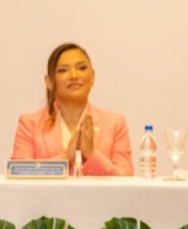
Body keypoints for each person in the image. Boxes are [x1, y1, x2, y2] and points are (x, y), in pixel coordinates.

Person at [12, 43, 134, 176]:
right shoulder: (29, 124)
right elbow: (19, 174)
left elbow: (126, 177)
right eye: (63, 70)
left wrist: (91, 154)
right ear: (49, 82)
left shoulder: (115, 123)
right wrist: (64, 157)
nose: (74, 75)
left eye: (81, 68)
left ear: (92, 76)